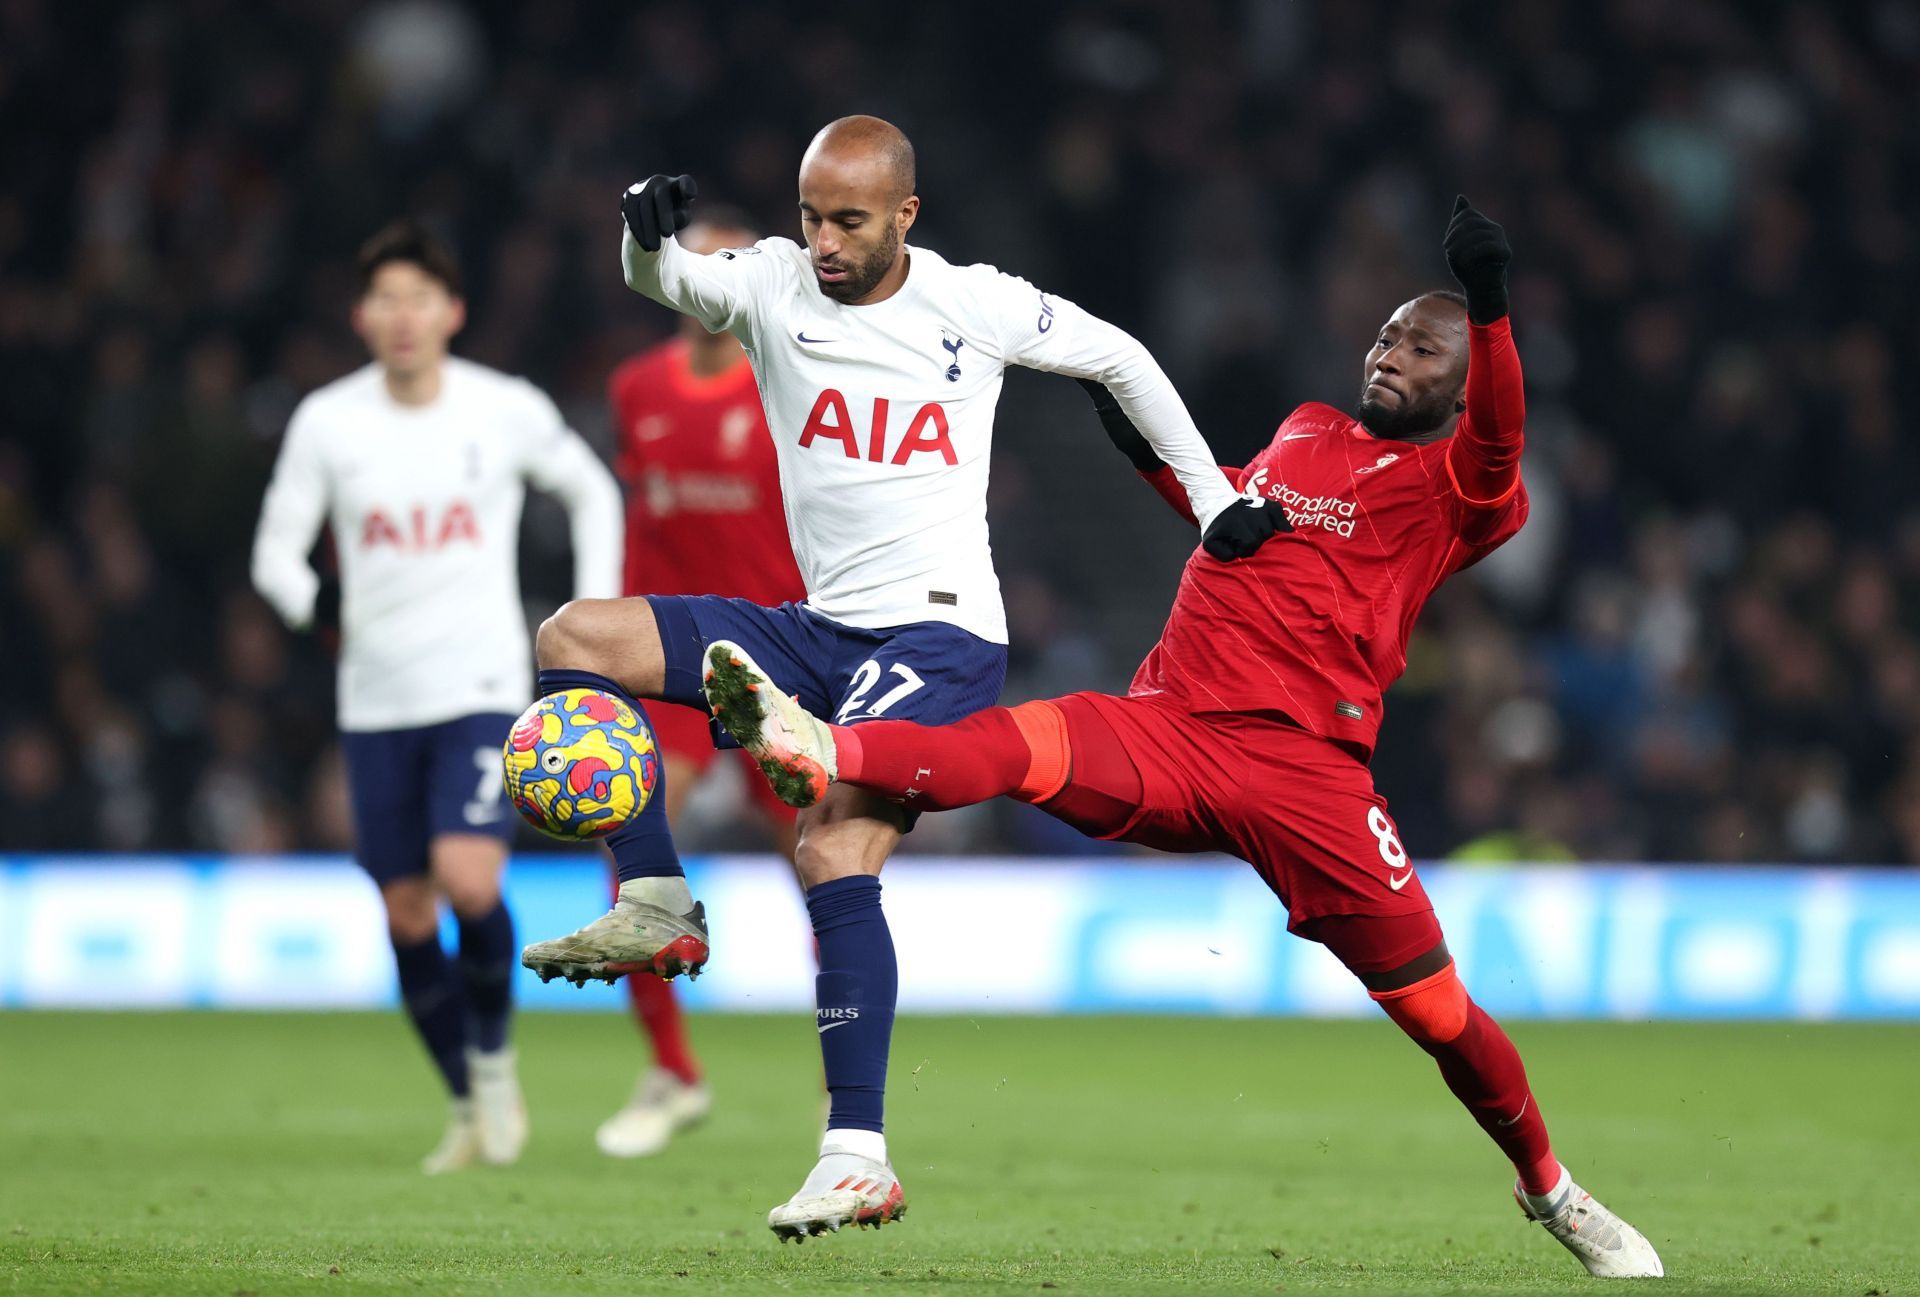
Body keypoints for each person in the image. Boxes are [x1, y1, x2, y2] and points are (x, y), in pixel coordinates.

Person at [700, 199, 1664, 1278]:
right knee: (1017, 740)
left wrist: (1487, 307)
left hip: (1309, 775)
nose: (1393, 353)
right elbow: (1224, 512)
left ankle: (1554, 1190)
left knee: (1441, 1015)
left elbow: (1500, 434)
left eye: (1421, 346)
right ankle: (825, 749)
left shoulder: (1460, 490)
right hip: (1172, 725)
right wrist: (1142, 440)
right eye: (1388, 334)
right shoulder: (1305, 430)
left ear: (1457, 384)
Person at [517, 115, 1281, 1238]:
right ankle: (656, 897)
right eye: (813, 215)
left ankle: (857, 1153)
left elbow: (1119, 355)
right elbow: (667, 278)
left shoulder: (972, 302)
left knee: (830, 838)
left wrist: (1215, 500)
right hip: (813, 628)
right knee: (573, 639)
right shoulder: (773, 283)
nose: (824, 241)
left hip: (936, 640)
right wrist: (642, 235)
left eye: (850, 222)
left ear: (906, 217)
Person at [250, 220, 623, 1174]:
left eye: (421, 298)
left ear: (452, 312)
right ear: (362, 316)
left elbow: (591, 491)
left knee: (469, 881)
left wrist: (588, 618)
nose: (404, 317)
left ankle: (494, 1067)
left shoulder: (501, 408)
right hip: (375, 700)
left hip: (481, 687)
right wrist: (315, 603)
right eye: (387, 300)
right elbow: (274, 555)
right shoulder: (329, 421)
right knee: (406, 914)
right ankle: (465, 1097)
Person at [594, 210, 804, 1159]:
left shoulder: (788, 383)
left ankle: (846, 1077)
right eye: (695, 262)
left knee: (825, 859)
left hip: (779, 658)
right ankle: (672, 1069)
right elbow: (637, 515)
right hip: (673, 654)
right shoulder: (636, 387)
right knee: (630, 838)